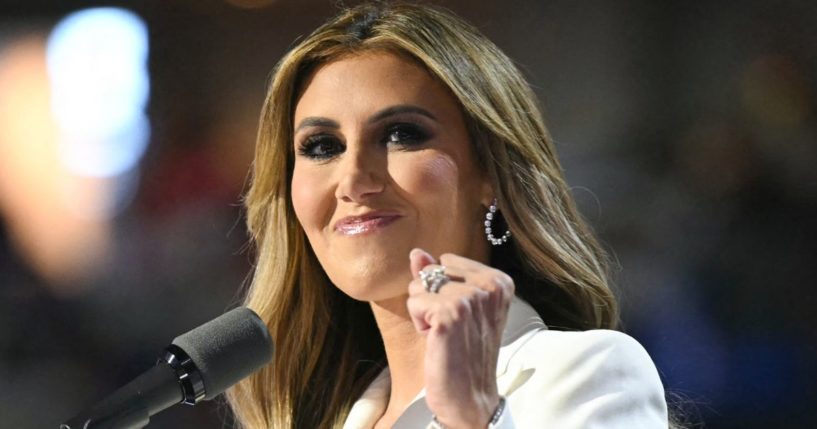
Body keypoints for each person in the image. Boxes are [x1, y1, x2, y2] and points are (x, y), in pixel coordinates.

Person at [227, 2, 669, 428]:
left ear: (490, 174)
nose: (353, 179)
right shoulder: (325, 417)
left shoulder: (588, 372)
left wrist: (473, 420)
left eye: (401, 135)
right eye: (322, 146)